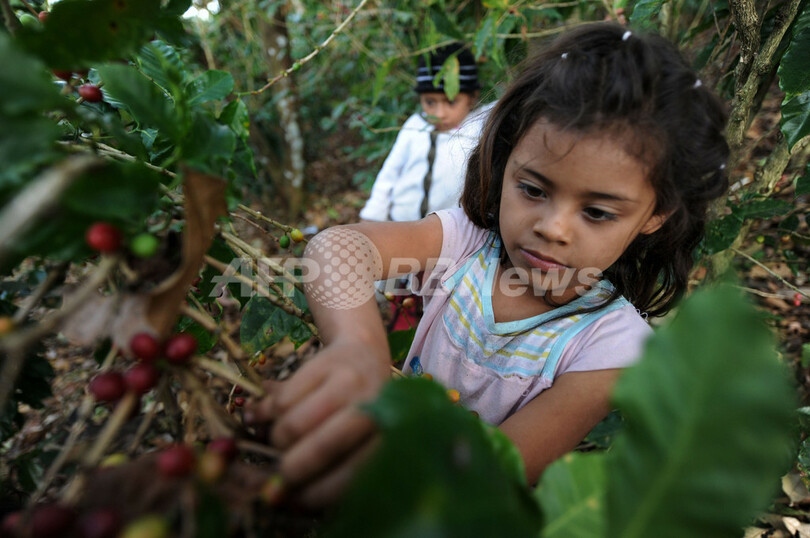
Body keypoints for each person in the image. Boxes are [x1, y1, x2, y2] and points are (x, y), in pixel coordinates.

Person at [245, 22, 729, 507]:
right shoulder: (466, 242)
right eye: (533, 190)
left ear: (655, 216)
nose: (553, 228)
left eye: (597, 212)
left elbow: (493, 472)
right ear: (505, 162)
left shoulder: (611, 350)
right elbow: (336, 248)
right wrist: (358, 350)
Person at [359, 43, 492, 223]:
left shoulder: (480, 127)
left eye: (451, 102)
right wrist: (371, 217)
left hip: (447, 236)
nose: (439, 114)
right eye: (430, 102)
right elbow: (389, 174)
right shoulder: (414, 127)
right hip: (399, 225)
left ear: (472, 98)